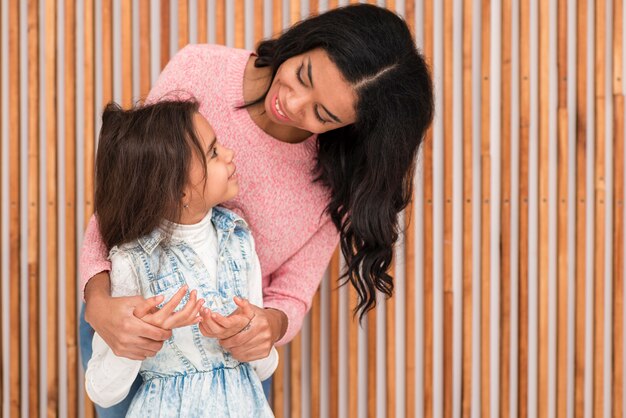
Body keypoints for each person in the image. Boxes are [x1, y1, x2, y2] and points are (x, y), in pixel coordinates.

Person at [79, 4, 434, 416]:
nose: (292, 102)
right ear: (307, 41)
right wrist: (100, 305)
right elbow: (125, 199)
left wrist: (267, 327)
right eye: (302, 75)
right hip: (131, 333)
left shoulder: (342, 177)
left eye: (323, 114)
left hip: (237, 361)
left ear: (351, 127)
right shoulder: (201, 69)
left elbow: (290, 296)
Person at [84, 99, 277, 417]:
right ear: (179, 192)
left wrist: (250, 336)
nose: (229, 155)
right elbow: (102, 392)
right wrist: (139, 340)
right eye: (214, 153)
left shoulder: (240, 240)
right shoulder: (132, 263)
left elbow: (263, 368)